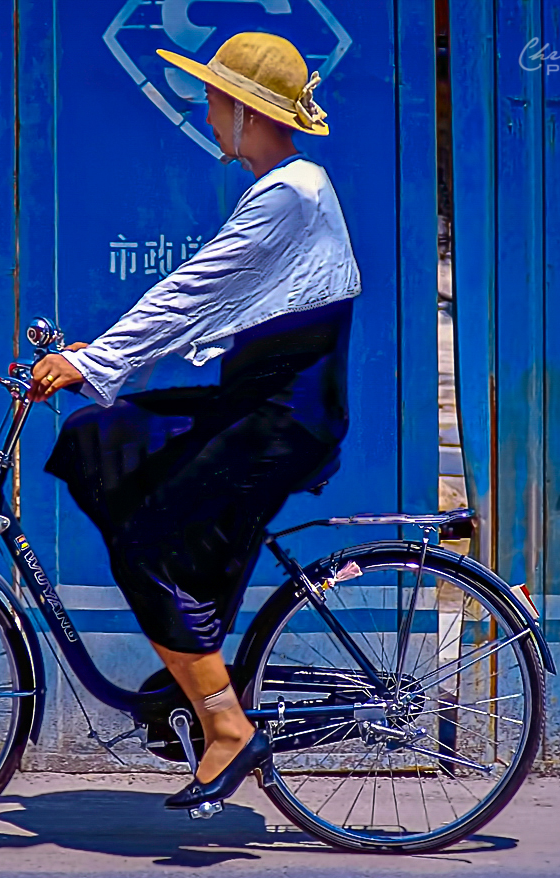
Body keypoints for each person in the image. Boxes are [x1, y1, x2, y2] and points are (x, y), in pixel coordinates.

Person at [27, 32, 360, 812]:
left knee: (147, 541)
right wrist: (98, 360)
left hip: (281, 418)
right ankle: (195, 657)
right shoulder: (284, 186)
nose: (206, 114)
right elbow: (208, 308)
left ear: (246, 112)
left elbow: (192, 290)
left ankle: (225, 726)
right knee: (99, 439)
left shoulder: (292, 190)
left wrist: (96, 362)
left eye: (214, 101)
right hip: (262, 406)